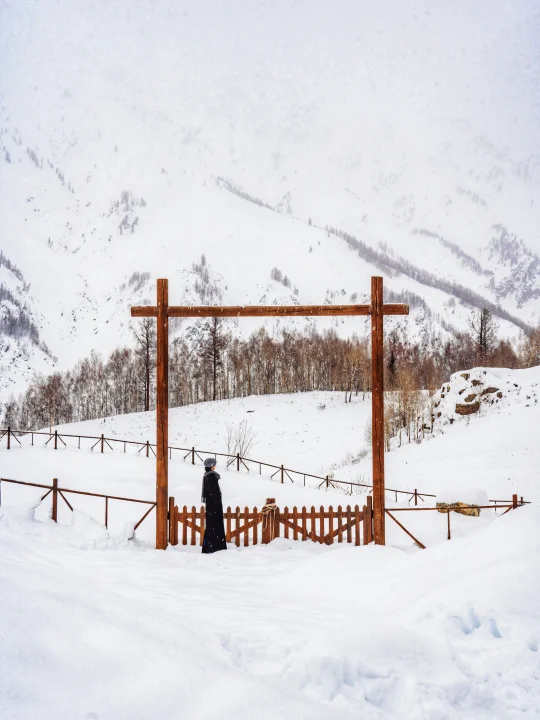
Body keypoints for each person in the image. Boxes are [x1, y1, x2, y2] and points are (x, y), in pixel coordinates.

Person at [201, 458, 227, 553]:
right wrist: (218, 502)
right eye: (214, 465)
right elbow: (214, 492)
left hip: (210, 505)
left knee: (211, 526)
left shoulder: (206, 475)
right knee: (216, 526)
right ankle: (216, 546)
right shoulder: (212, 476)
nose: (215, 466)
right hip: (214, 506)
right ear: (211, 465)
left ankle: (211, 545)